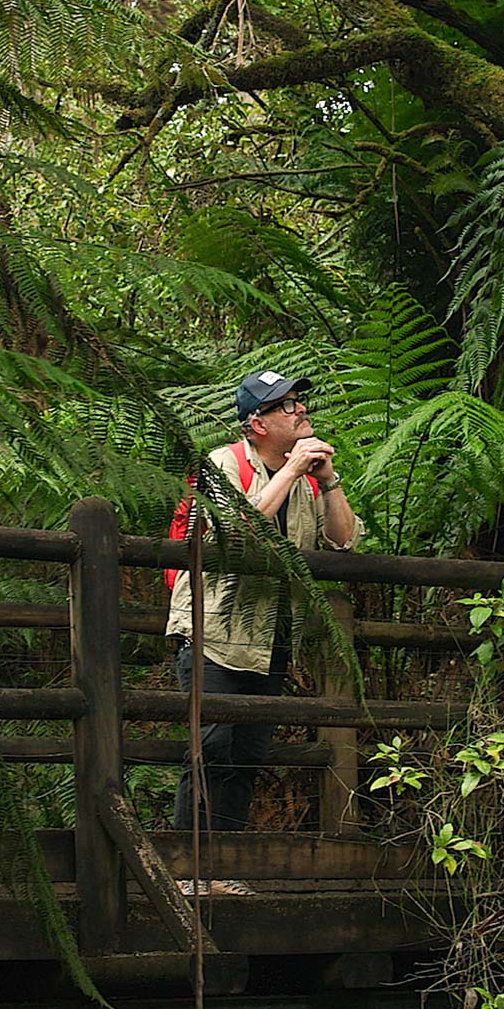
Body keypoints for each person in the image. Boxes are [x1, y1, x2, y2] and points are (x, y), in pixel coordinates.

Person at [165, 370, 361, 874]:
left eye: (299, 401)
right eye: (287, 405)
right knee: (210, 751)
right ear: (257, 423)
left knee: (247, 757)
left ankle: (223, 870)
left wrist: (327, 479)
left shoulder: (307, 480)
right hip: (213, 633)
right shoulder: (221, 465)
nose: (300, 410)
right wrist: (291, 472)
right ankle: (190, 873)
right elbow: (236, 532)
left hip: (272, 637)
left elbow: (344, 541)